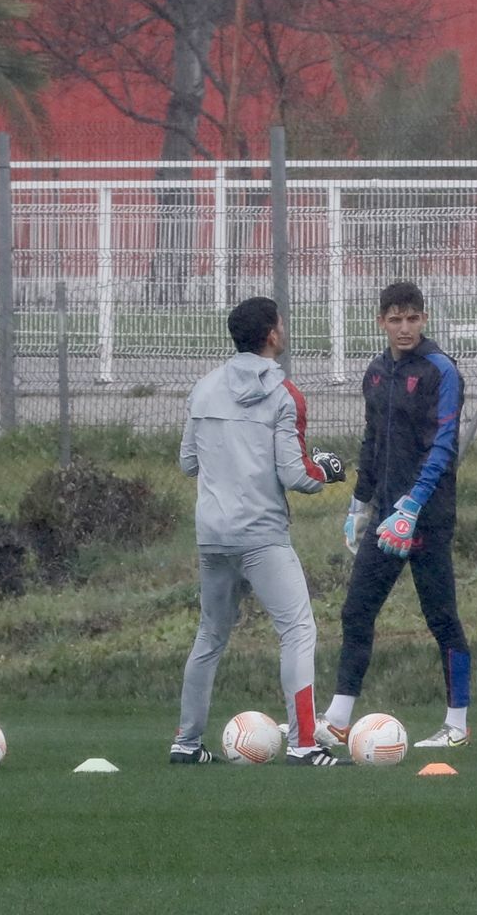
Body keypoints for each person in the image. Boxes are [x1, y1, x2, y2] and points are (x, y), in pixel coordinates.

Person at [174, 296, 348, 767]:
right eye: (281, 322)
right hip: (261, 535)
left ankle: (186, 743)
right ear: (272, 334)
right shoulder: (284, 393)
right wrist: (329, 471)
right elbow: (297, 475)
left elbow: (188, 462)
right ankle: (304, 744)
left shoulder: (204, 388)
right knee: (297, 631)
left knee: (210, 636)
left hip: (212, 534)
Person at [317, 281, 471, 750]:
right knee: (357, 610)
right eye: (394, 319)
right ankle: (339, 718)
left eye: (412, 318)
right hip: (385, 517)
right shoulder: (377, 371)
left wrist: (413, 504)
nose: (404, 328)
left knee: (441, 616)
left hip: (425, 517)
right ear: (380, 321)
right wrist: (361, 502)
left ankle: (458, 725)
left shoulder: (441, 370)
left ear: (423, 319)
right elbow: (372, 440)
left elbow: (443, 446)